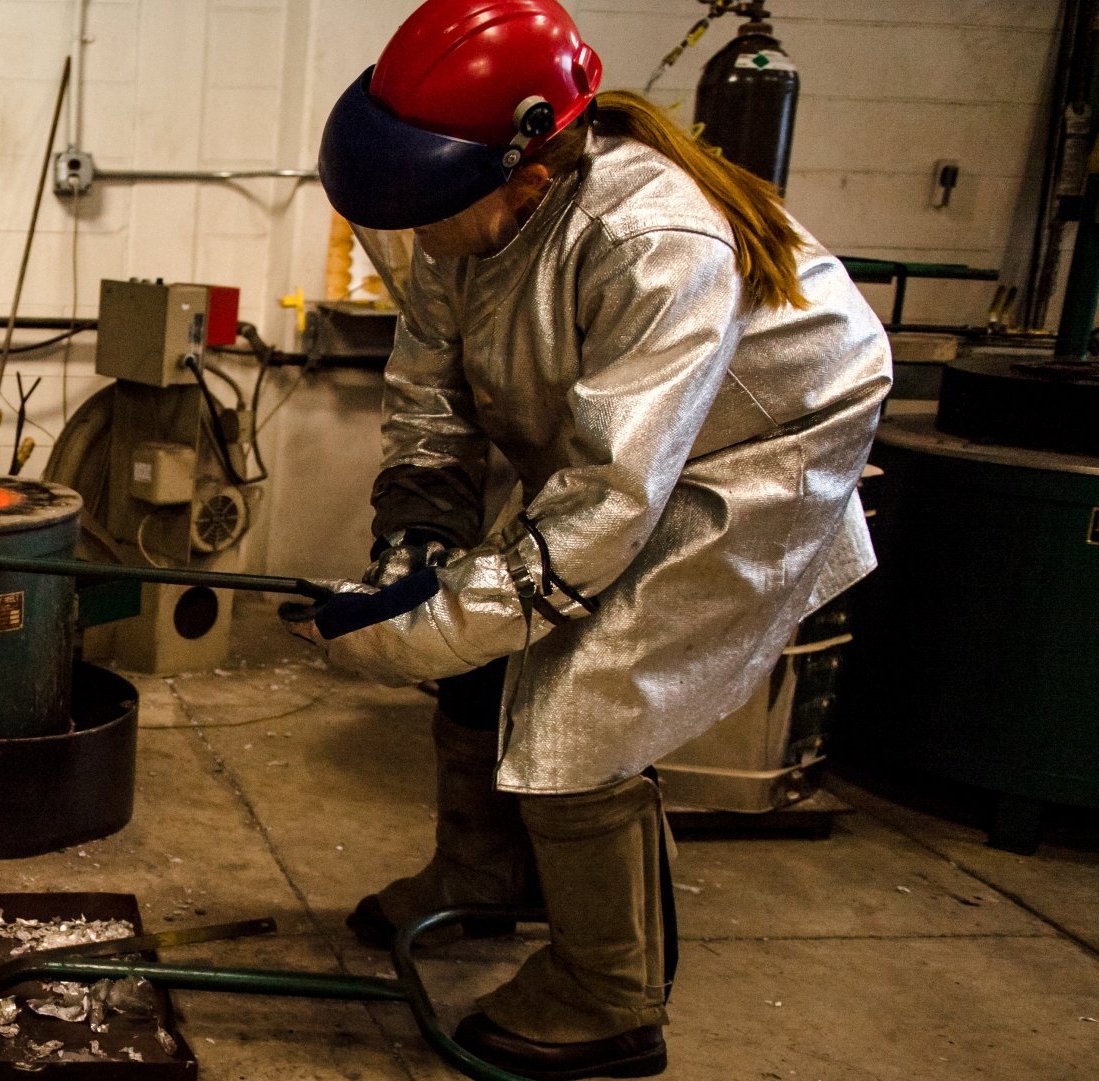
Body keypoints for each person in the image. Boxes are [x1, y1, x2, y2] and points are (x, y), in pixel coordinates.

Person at [293, 1, 890, 1076]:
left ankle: (609, 995)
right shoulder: (457, 205)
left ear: (532, 164)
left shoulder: (653, 240)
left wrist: (408, 632)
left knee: (582, 693)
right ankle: (482, 874)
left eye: (432, 206)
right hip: (623, 437)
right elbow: (433, 380)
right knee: (492, 640)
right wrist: (419, 522)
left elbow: (612, 502)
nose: (414, 230)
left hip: (752, 450)